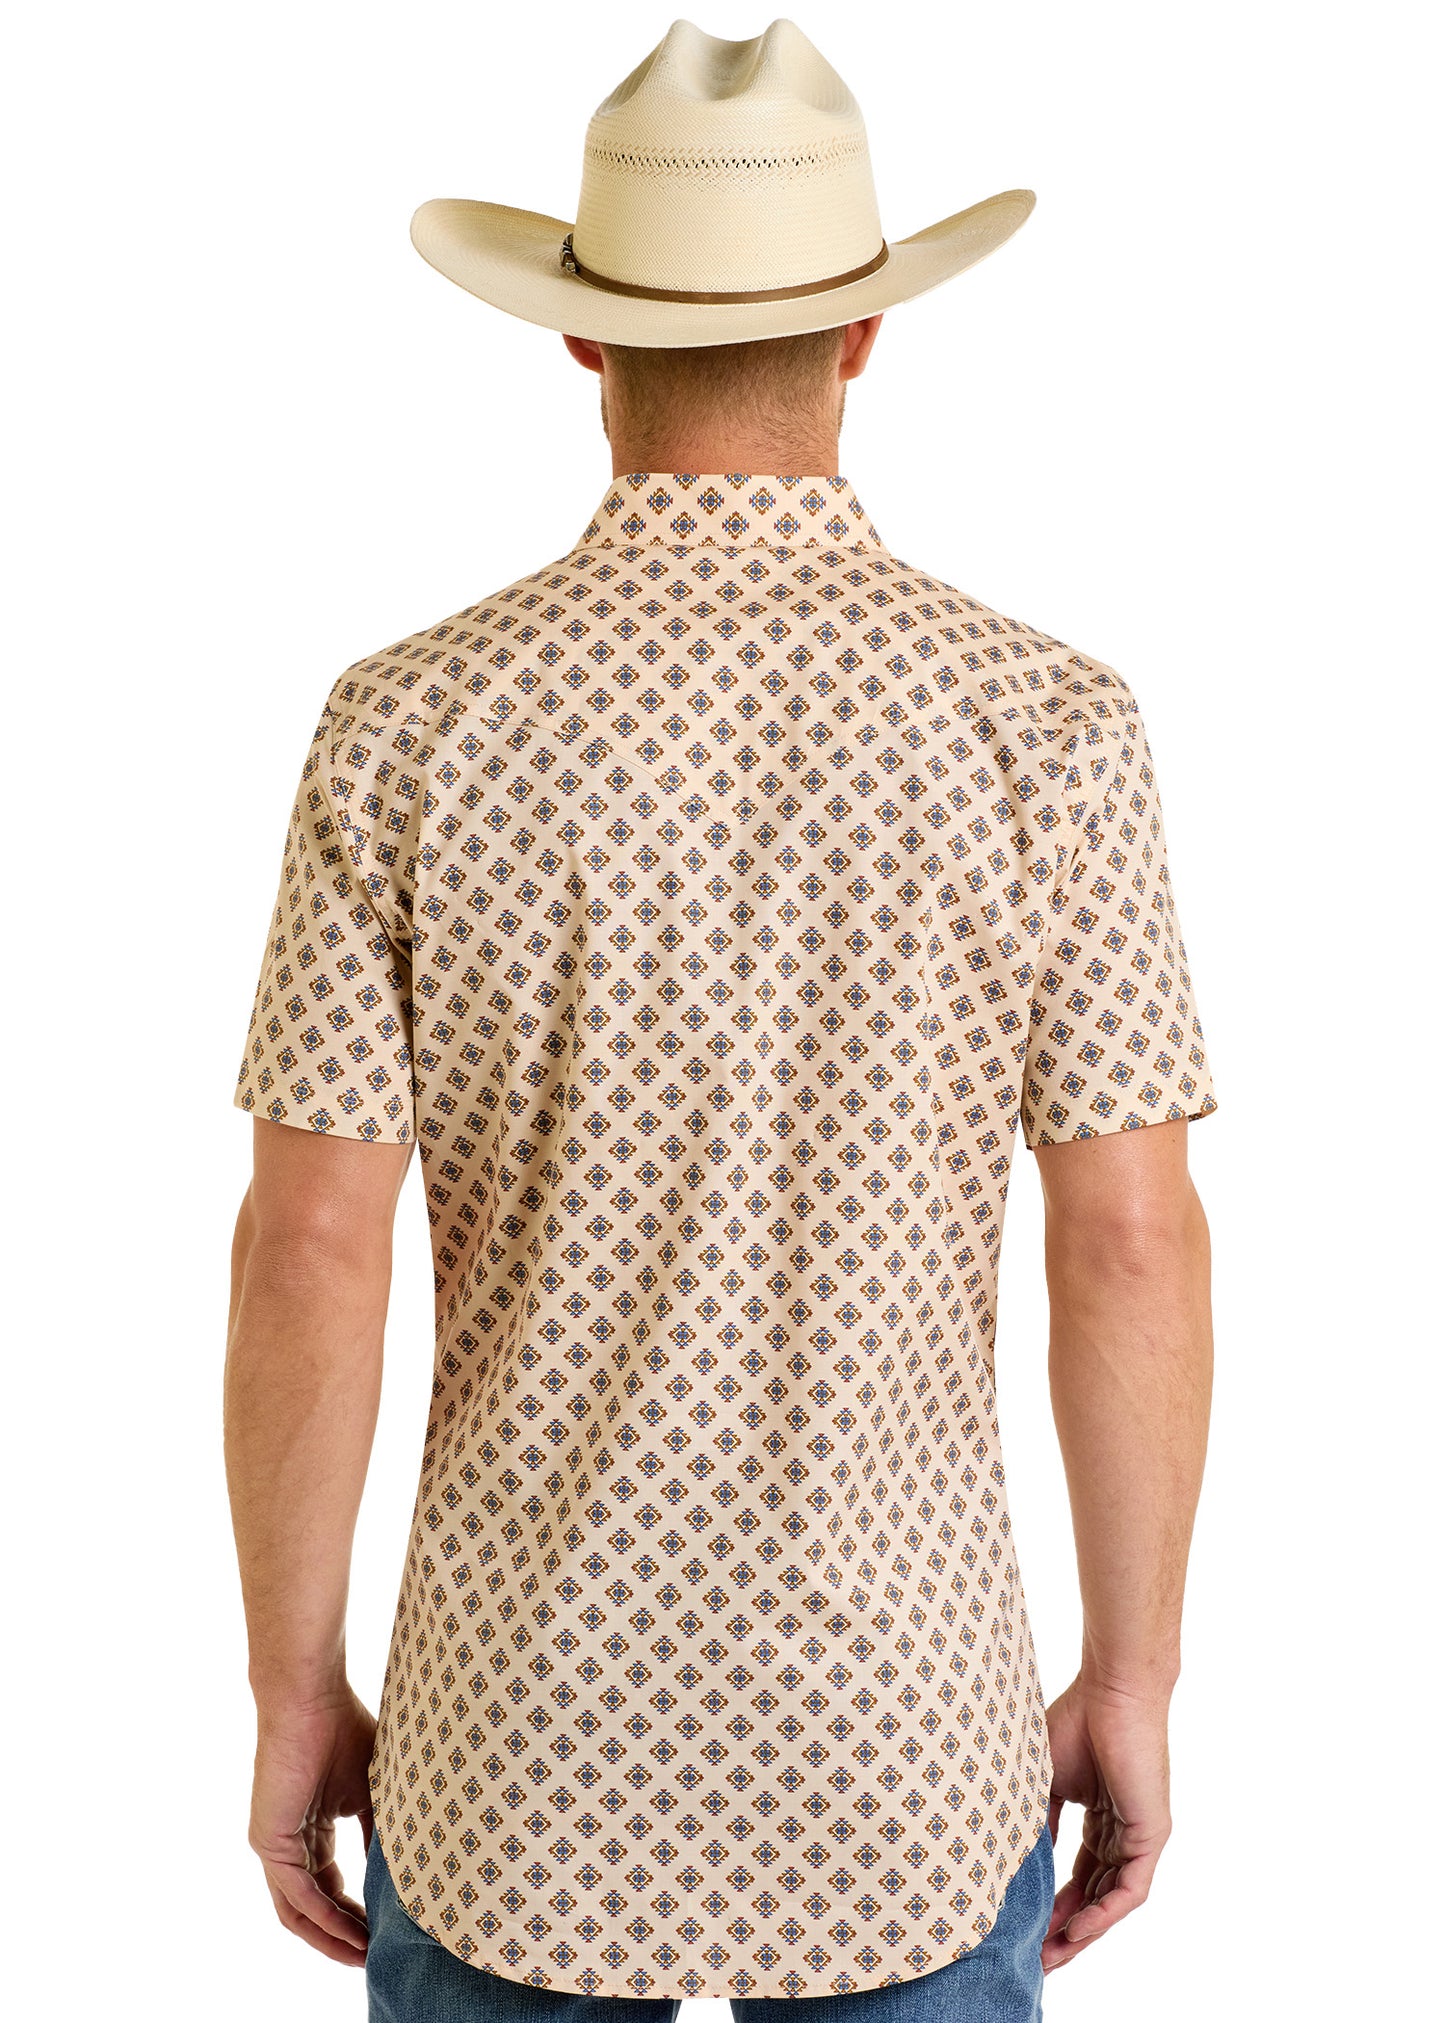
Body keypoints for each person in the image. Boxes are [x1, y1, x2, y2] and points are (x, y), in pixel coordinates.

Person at [224, 20, 1218, 2023]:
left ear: (581, 339)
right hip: (904, 1736)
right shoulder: (1046, 726)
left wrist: (289, 1687)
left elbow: (309, 1245)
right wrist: (1133, 1677)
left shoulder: (406, 722)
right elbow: (1130, 1238)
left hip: (514, 1733)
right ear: (864, 334)